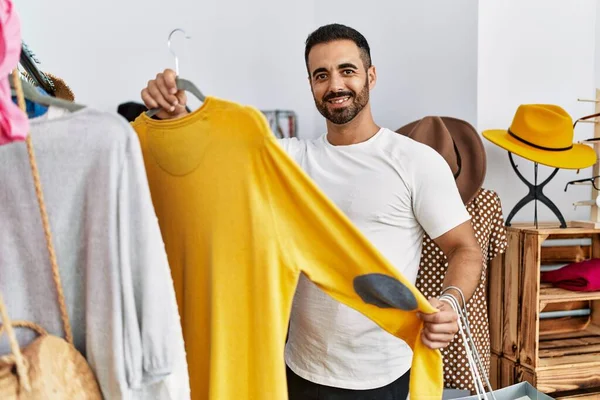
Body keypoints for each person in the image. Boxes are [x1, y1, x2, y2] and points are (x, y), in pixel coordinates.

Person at [140, 23, 483, 400]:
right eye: (321, 75)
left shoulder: (415, 161)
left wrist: (449, 302)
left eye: (347, 70)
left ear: (371, 75)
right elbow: (211, 160)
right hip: (299, 371)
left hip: (386, 375)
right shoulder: (287, 160)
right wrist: (176, 115)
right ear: (311, 85)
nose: (335, 85)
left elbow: (464, 248)